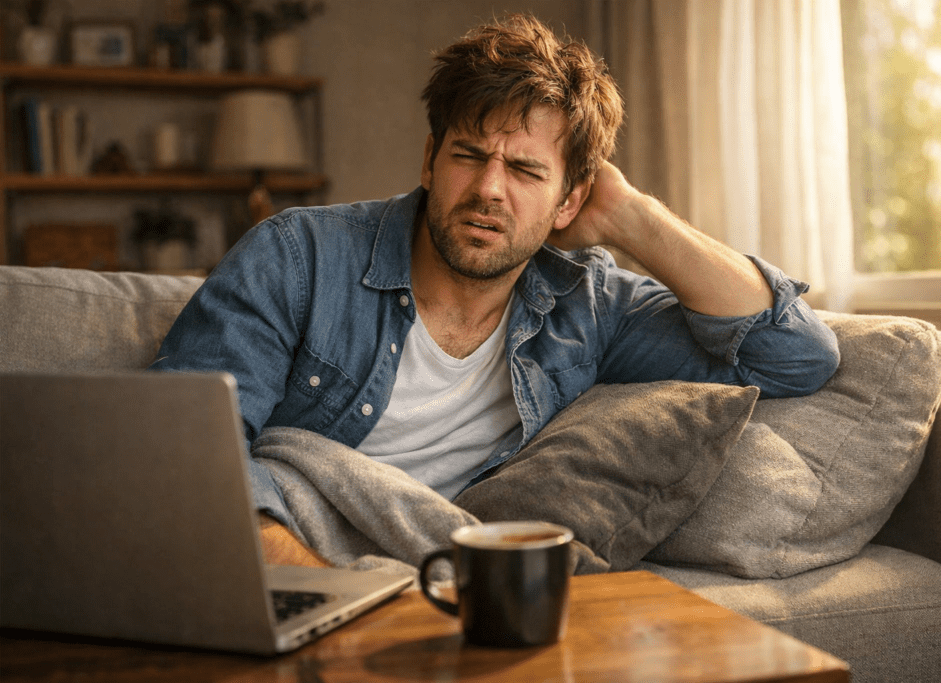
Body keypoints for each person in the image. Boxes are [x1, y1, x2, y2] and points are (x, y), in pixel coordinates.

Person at [151, 14, 840, 568]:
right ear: (430, 160)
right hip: (298, 566)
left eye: (525, 171)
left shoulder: (587, 307)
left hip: (446, 579)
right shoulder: (297, 256)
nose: (488, 189)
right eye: (469, 155)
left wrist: (631, 216)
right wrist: (323, 590)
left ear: (570, 200)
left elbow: (795, 356)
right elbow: (183, 450)